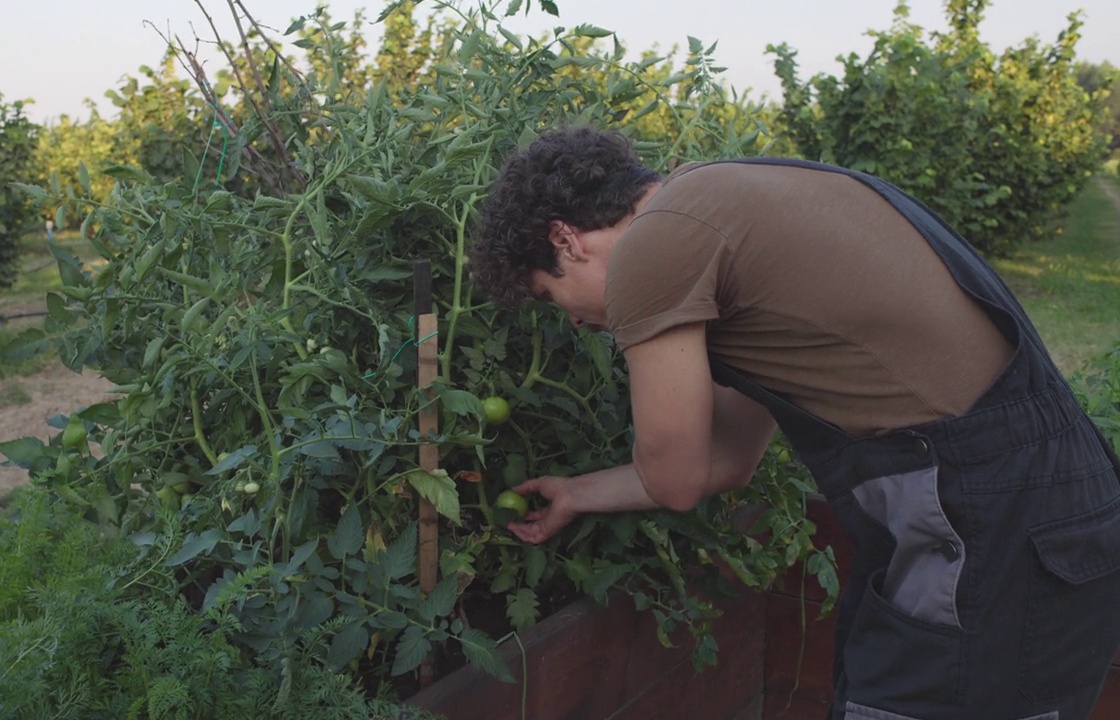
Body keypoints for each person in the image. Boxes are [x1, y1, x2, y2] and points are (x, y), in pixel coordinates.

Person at [467, 125, 1120, 720]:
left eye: (553, 300)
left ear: (565, 239)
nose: (577, 323)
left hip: (985, 520)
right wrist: (578, 493)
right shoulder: (727, 201)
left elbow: (674, 481)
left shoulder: (656, 246)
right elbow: (726, 459)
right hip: (1033, 502)